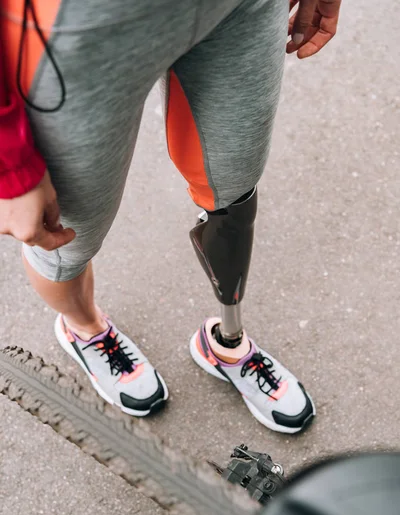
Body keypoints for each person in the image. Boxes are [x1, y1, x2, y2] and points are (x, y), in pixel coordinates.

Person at [0, 0, 341, 433]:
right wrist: (9, 163)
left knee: (234, 194)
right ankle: (84, 328)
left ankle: (227, 344)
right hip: (76, 32)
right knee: (69, 236)